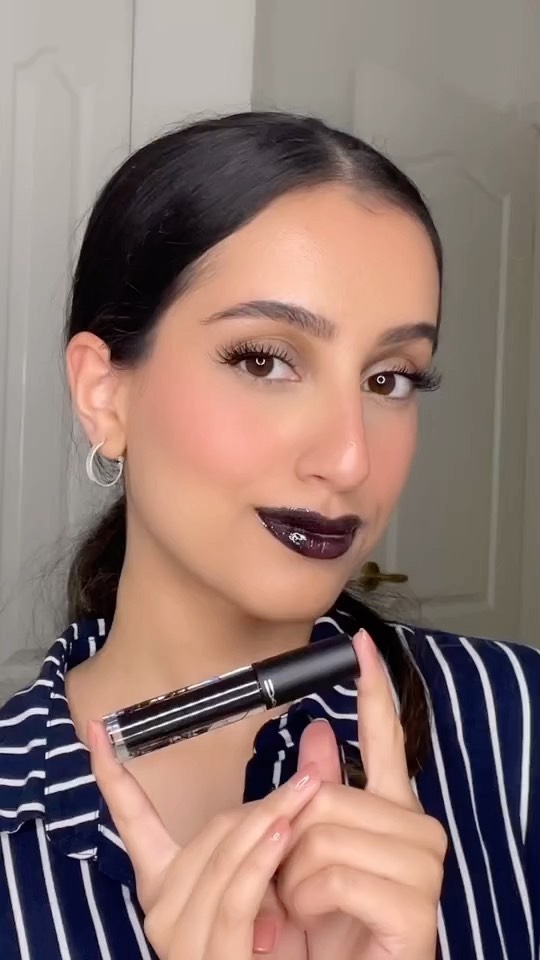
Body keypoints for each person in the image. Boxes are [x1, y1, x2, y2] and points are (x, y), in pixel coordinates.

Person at [0, 111, 538, 960]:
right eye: (264, 361)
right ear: (105, 394)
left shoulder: (517, 722)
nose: (350, 458)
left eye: (390, 379)